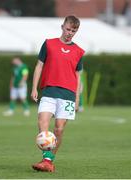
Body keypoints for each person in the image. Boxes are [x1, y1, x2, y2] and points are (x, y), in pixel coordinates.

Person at [31, 15, 85, 172]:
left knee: (59, 129)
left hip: (68, 95)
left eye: (73, 31)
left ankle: (49, 161)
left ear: (76, 31)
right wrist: (34, 87)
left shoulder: (78, 51)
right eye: (68, 29)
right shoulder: (49, 44)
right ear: (62, 27)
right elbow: (39, 66)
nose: (70, 33)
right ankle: (46, 159)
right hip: (49, 91)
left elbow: (78, 77)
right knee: (42, 123)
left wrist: (77, 99)